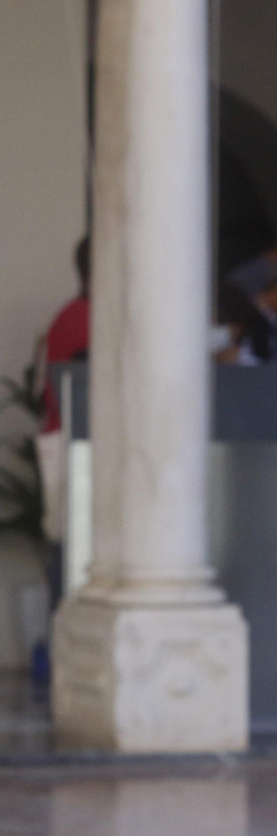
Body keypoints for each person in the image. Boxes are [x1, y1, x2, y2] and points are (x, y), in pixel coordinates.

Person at [34, 237, 91, 603]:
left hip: (73, 446)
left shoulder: (72, 314)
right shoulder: (88, 318)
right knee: (75, 562)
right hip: (78, 451)